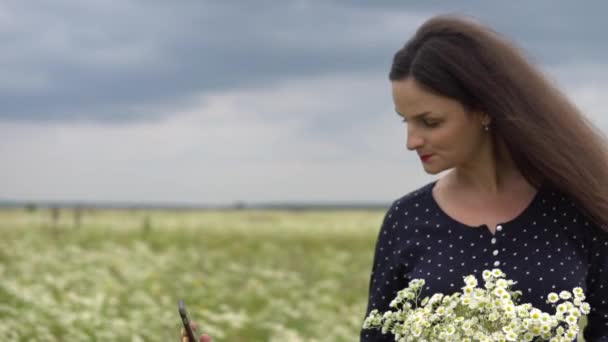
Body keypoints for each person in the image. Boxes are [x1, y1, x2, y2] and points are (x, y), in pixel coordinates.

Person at [360, 14, 608, 341]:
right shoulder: (407, 219)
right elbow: (378, 335)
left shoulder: (578, 207)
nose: (412, 141)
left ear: (484, 109)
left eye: (430, 122)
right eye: (405, 121)